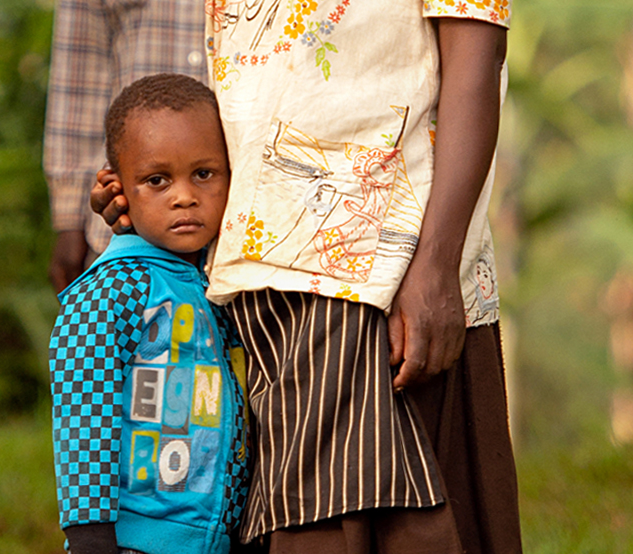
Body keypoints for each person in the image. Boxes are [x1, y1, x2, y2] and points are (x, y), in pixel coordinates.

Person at [91, 2, 522, 552]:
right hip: (259, 275)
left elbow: (476, 56)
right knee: (301, 509)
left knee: (364, 516)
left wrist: (436, 262)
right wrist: (150, 194)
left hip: (376, 272)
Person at [49, 73, 249, 554]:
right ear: (118, 189)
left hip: (213, 535)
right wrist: (90, 536)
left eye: (204, 174)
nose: (184, 196)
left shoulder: (212, 282)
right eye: (157, 181)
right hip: (133, 540)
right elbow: (81, 407)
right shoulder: (115, 288)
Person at [43, 0, 211, 293]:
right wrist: (70, 216)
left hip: (252, 226)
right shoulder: (111, 293)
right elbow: (80, 66)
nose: (183, 197)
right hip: (121, 226)